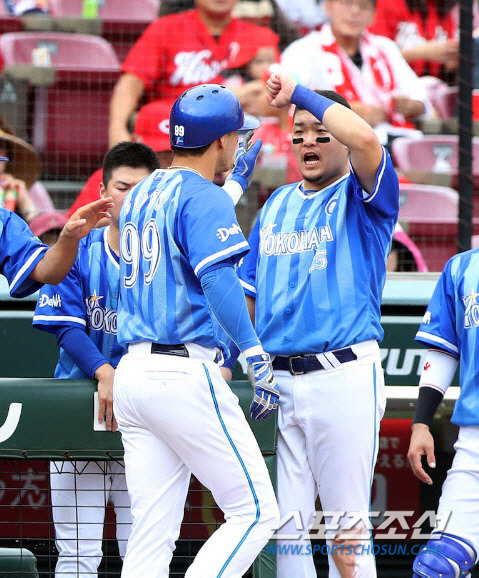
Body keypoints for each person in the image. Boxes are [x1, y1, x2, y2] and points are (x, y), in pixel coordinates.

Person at [113, 83, 279, 576]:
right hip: (182, 374)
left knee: (150, 535)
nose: (239, 145)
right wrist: (253, 354)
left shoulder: (142, 191)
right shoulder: (204, 197)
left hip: (135, 374)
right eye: (235, 137)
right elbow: (217, 279)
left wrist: (230, 191)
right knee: (255, 513)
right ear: (223, 140)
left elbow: (185, 215)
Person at [237, 71, 399, 577]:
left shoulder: (365, 193)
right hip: (278, 382)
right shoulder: (276, 204)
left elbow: (368, 139)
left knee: (346, 528)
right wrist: (241, 358)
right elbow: (247, 292)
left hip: (342, 374)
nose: (308, 140)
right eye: (299, 131)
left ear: (340, 136)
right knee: (285, 532)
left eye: (320, 131)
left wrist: (302, 95)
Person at [32, 143, 160, 578]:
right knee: (79, 556)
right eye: (122, 187)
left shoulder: (170, 256)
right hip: (79, 412)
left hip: (146, 419)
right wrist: (104, 371)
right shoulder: (78, 249)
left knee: (143, 553)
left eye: (142, 189)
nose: (131, 198)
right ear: (104, 190)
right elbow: (66, 325)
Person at [108, 0, 279, 146]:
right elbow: (131, 83)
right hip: (172, 133)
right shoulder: (165, 28)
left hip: (235, 134)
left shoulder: (260, 36)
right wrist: (117, 127)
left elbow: (274, 90)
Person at [407, 249, 479, 577]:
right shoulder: (462, 267)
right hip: (475, 440)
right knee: (435, 566)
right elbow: (442, 348)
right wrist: (421, 423)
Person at [280, 0, 433, 146]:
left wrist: (412, 106)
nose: (354, 12)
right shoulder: (301, 50)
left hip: (395, 138)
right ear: (328, 6)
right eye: (346, 3)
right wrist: (346, 111)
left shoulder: (386, 48)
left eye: (363, 6)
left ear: (373, 15)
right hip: (334, 144)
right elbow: (287, 102)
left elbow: (420, 98)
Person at [68, 100, 175, 218]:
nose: (167, 160)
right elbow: (76, 228)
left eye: (172, 152)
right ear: (134, 141)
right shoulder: (111, 177)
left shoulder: (191, 184)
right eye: (158, 152)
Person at [369, 0, 459, 84]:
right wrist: (420, 52)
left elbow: (447, 67)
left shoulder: (442, 6)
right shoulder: (388, 4)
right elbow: (375, 59)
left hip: (435, 91)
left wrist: (454, 61)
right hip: (396, 87)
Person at [0, 118, 55, 224]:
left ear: (8, 155)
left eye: (0, 147)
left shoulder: (31, 189)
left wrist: (25, 201)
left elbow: (50, 237)